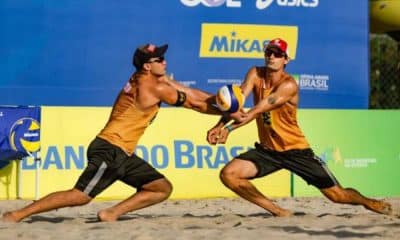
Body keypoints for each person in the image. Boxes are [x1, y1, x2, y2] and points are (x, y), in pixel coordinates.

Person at [2, 43, 222, 222]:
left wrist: (219, 101)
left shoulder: (147, 79)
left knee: (160, 188)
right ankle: (17, 214)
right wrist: (229, 112)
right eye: (159, 60)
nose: (165, 62)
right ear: (147, 66)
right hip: (111, 148)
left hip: (122, 152)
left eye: (164, 58)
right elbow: (195, 104)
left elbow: (189, 91)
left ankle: (111, 213)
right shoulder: (154, 87)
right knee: (80, 196)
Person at [207, 38, 393, 217]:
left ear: (286, 59)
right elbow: (236, 103)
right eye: (269, 52)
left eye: (278, 54)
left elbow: (256, 110)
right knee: (229, 175)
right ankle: (279, 211)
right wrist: (219, 124)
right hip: (268, 151)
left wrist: (229, 130)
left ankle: (368, 202)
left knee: (337, 195)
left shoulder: (288, 85)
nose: (272, 56)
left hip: (296, 151)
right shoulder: (255, 73)